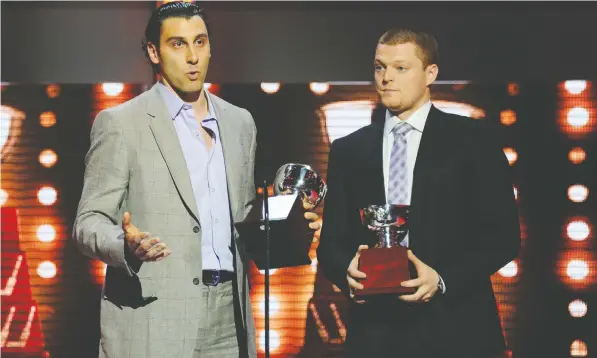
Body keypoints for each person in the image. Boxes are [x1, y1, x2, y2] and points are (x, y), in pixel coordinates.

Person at [72, 2, 319, 357]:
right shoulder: (121, 123)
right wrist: (125, 245)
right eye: (178, 44)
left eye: (200, 42)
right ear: (154, 52)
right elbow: (87, 223)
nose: (192, 56)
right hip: (155, 315)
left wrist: (291, 222)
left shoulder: (239, 123)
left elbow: (241, 216)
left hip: (229, 314)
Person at [317, 28, 520, 358]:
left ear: (430, 73)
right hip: (376, 335)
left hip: (457, 331)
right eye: (380, 67)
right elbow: (331, 245)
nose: (386, 78)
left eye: (400, 68)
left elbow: (504, 237)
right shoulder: (349, 150)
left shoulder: (474, 140)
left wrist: (441, 279)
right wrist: (347, 273)